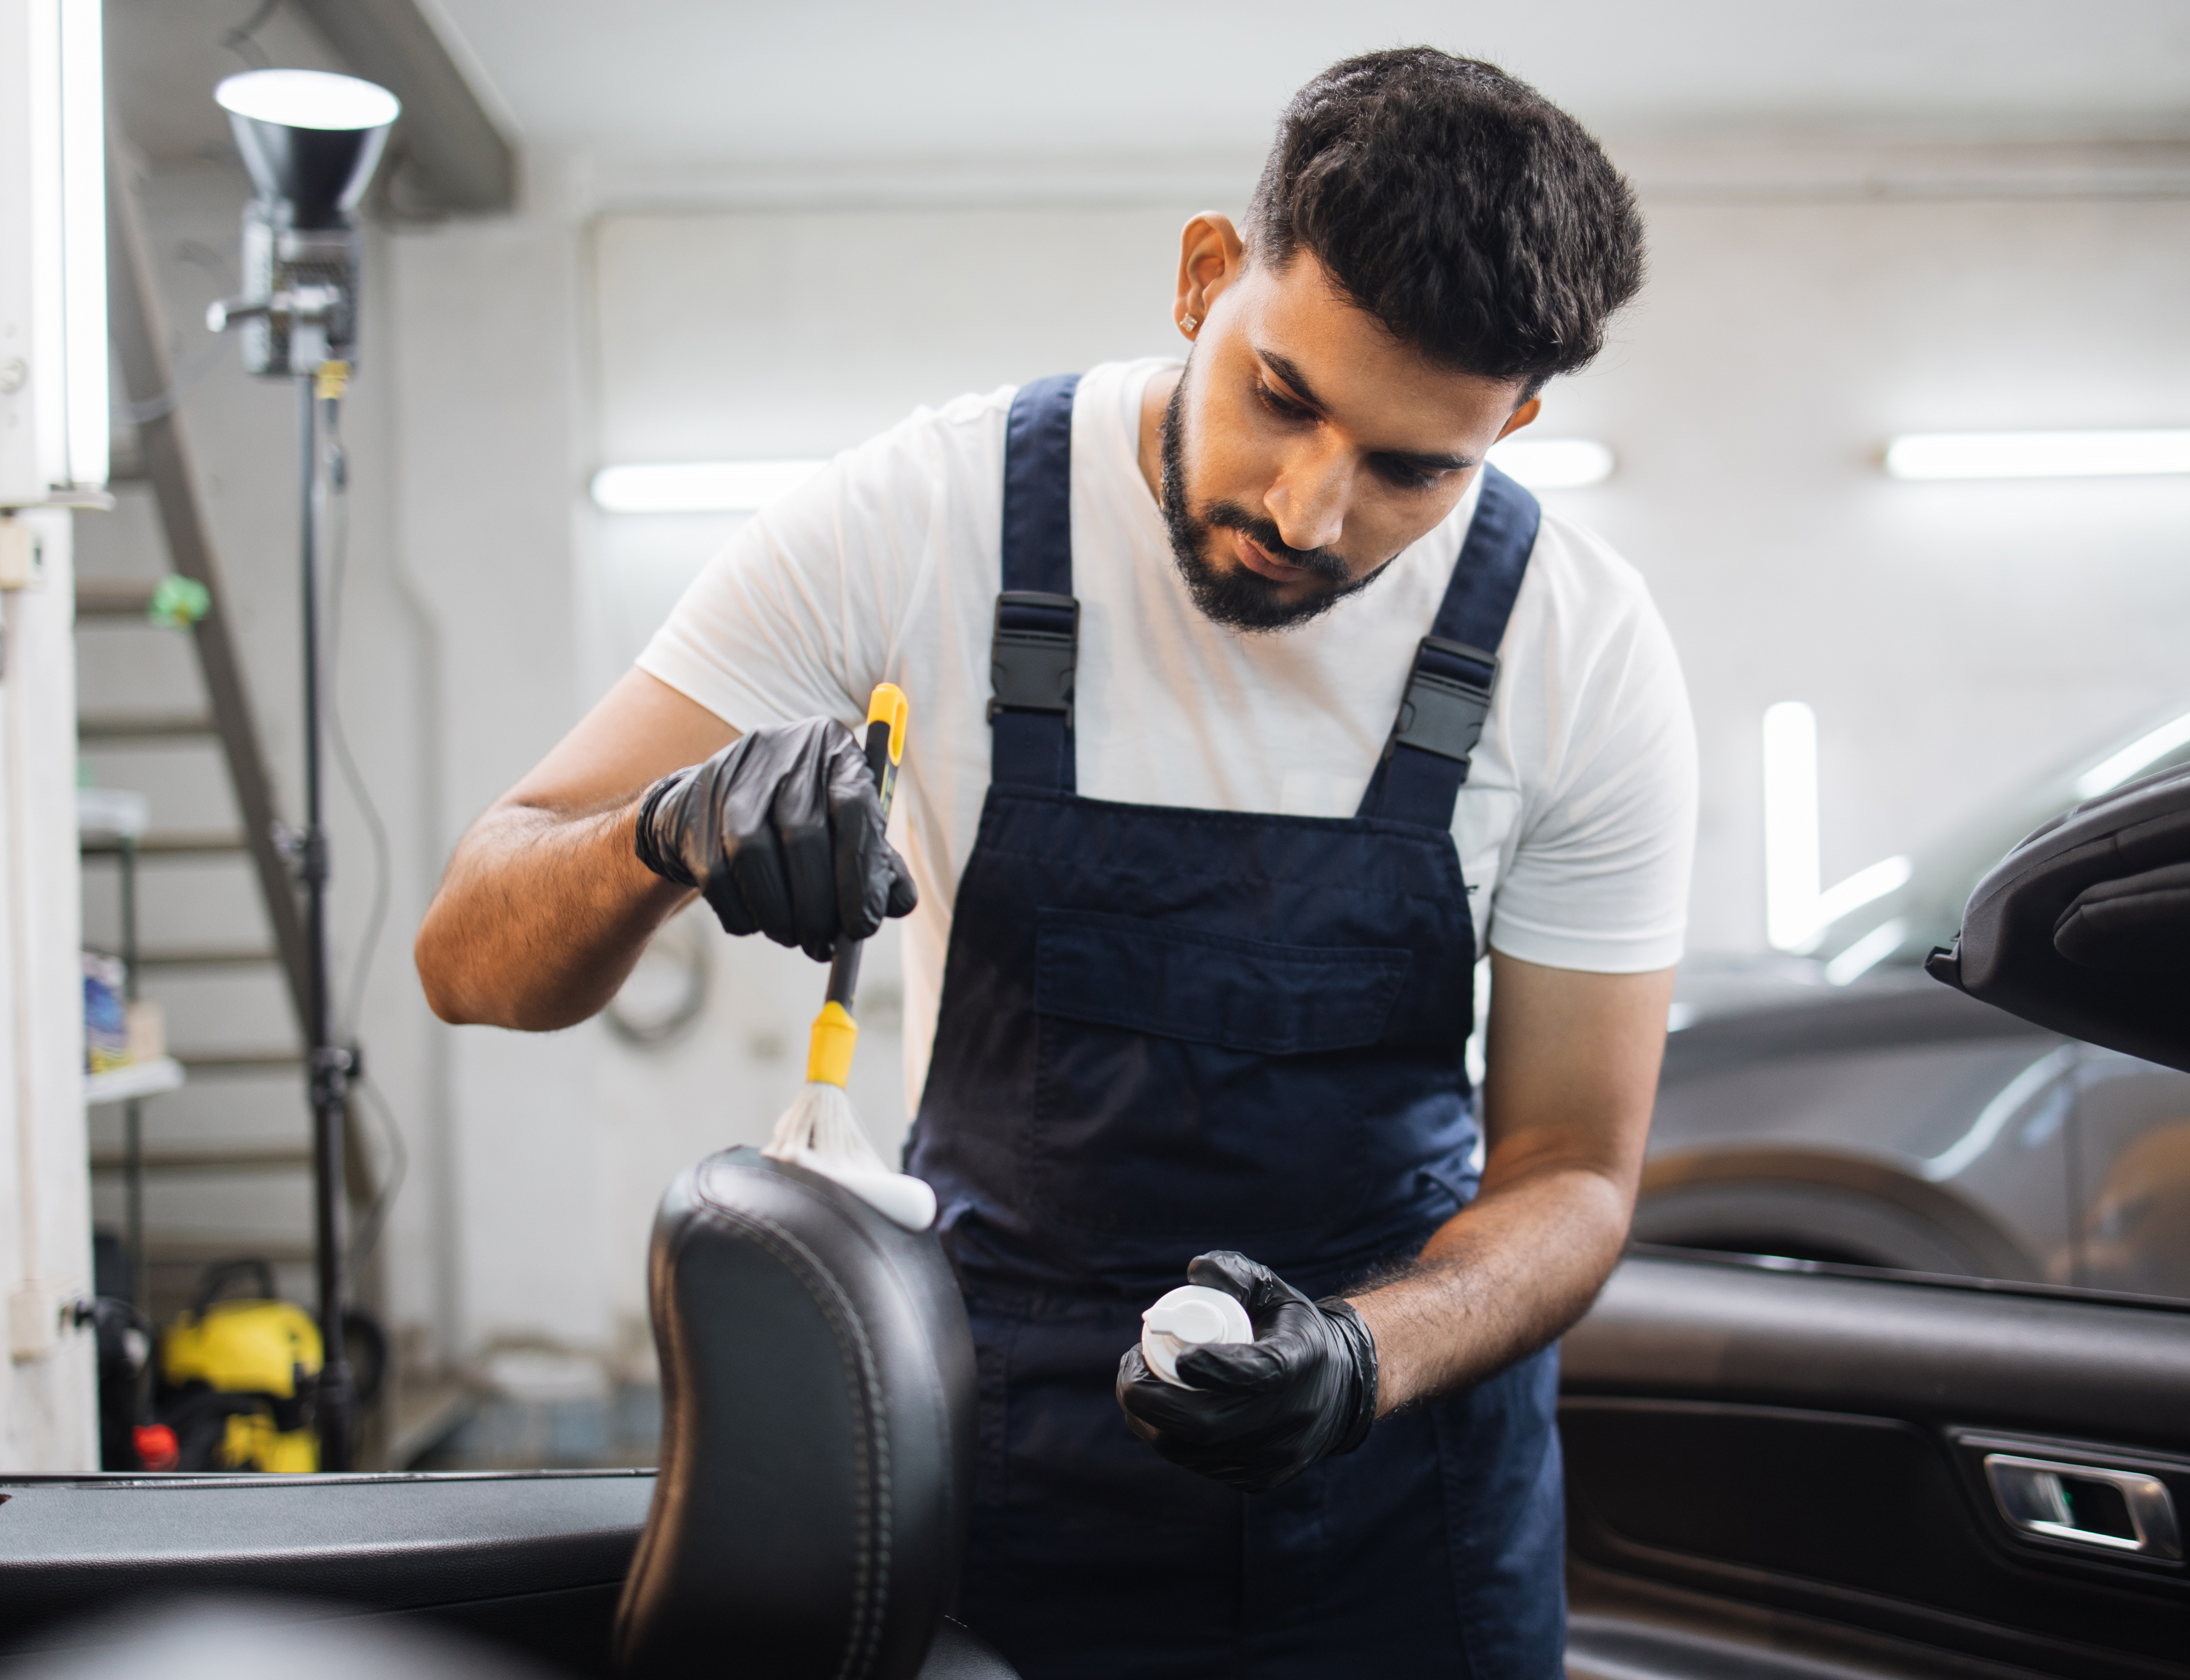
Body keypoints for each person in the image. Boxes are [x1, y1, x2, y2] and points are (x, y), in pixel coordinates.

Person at [417, 47, 1693, 1680]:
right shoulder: (928, 517)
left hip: (1404, 1504)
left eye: (1411, 470)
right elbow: (472, 949)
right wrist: (664, 835)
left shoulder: (1577, 650)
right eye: (1285, 398)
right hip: (1007, 1481)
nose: (1309, 511)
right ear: (1206, 278)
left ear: (1510, 423)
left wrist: (1362, 1359)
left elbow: (1575, 1174)